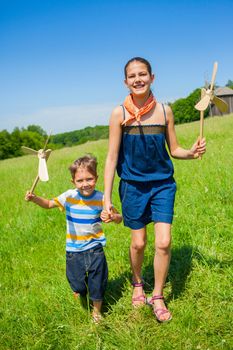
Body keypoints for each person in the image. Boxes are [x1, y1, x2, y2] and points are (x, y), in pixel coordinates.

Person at [104, 57, 206, 322]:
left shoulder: (164, 111)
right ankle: (138, 283)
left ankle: (158, 295)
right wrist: (106, 198)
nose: (138, 79)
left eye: (143, 74)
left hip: (162, 184)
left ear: (152, 77)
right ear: (125, 81)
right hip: (132, 186)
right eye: (132, 76)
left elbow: (175, 150)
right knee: (138, 243)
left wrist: (192, 152)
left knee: (164, 242)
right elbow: (112, 157)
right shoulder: (119, 113)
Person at [25, 154, 122, 323]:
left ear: (96, 178)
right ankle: (82, 291)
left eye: (89, 179)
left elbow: (119, 218)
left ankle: (97, 312)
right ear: (73, 182)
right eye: (80, 180)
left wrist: (113, 217)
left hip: (95, 249)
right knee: (77, 285)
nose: (85, 184)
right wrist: (34, 199)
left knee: (97, 283)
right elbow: (48, 204)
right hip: (73, 251)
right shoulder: (69, 196)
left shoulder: (102, 198)